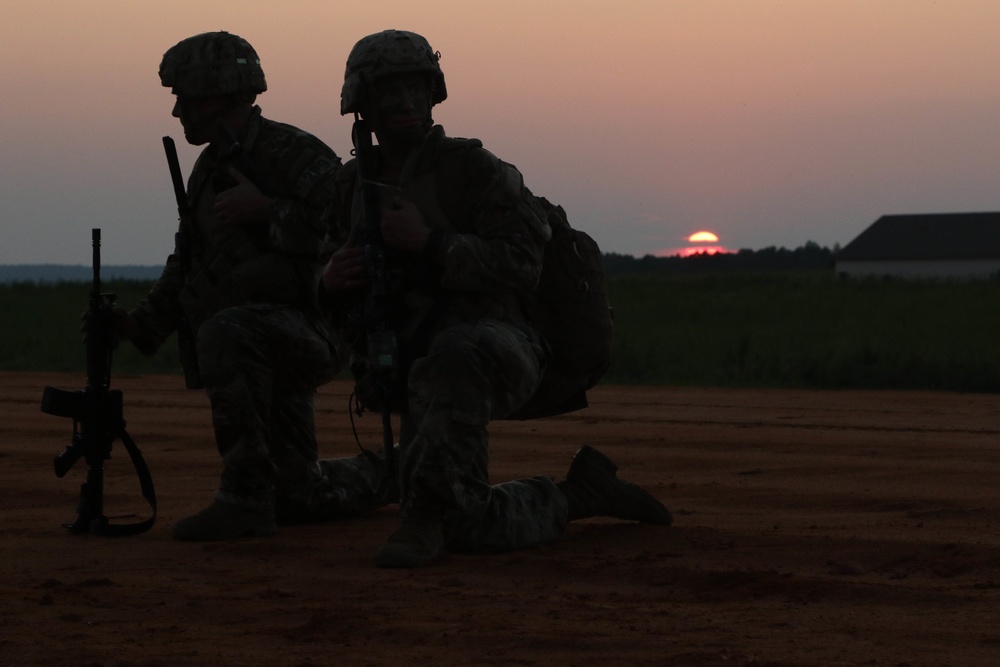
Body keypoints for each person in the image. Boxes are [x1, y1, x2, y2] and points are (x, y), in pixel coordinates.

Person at [319, 29, 672, 568]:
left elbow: (523, 267)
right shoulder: (350, 187)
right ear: (362, 101)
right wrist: (329, 281)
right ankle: (582, 494)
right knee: (471, 524)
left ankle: (424, 515)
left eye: (418, 88)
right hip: (412, 363)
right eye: (391, 90)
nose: (407, 102)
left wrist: (432, 243)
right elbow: (325, 280)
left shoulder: (474, 170)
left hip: (501, 348)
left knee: (457, 354)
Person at [113, 31, 358, 540]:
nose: (178, 111)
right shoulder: (209, 168)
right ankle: (391, 474)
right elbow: (190, 263)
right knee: (298, 497)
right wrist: (139, 326)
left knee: (226, 330)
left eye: (185, 97)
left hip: (314, 328)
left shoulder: (292, 152)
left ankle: (244, 496)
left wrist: (268, 212)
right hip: (262, 337)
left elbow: (351, 234)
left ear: (218, 94)